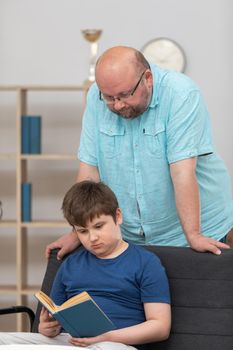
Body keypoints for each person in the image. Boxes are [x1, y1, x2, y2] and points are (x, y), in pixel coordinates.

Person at [46, 46, 233, 259]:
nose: (117, 105)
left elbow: (182, 172)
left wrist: (193, 234)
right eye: (109, 97)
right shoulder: (95, 99)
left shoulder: (181, 94)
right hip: (130, 236)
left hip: (198, 229)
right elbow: (90, 169)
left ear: (148, 78)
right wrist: (76, 232)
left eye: (125, 95)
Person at [0, 181, 171, 349]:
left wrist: (107, 336)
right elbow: (55, 318)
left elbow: (160, 327)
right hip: (70, 341)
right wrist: (46, 329)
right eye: (83, 231)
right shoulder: (70, 265)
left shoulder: (146, 263)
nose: (92, 238)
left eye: (98, 226)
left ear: (118, 216)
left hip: (117, 343)